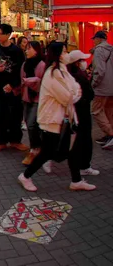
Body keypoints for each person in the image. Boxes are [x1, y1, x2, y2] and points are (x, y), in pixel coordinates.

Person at [17, 42, 95, 192]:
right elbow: (68, 97)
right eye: (64, 52)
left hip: (65, 118)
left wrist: (74, 93)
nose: (67, 55)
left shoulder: (62, 70)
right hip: (52, 119)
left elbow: (75, 90)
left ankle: (76, 180)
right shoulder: (53, 73)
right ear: (58, 55)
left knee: (73, 150)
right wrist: (75, 93)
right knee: (48, 152)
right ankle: (25, 176)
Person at [0, 24, 28, 153]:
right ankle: (0, 141)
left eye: (1, 33)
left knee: (15, 114)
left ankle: (15, 141)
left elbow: (21, 70)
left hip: (13, 89)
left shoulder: (17, 51)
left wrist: (13, 84)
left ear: (8, 35)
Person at [67, 50, 100, 177]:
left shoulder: (70, 75)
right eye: (82, 60)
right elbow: (89, 94)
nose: (85, 62)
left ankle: (81, 165)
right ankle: (84, 166)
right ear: (76, 62)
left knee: (79, 139)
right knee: (84, 138)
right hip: (82, 110)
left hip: (76, 111)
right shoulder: (79, 76)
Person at [20, 41, 46, 166]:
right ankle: (37, 147)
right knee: (30, 123)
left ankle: (35, 149)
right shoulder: (25, 64)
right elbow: (21, 80)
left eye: (29, 48)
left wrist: (31, 81)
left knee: (31, 124)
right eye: (26, 48)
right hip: (26, 98)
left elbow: (44, 83)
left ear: (36, 50)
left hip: (37, 99)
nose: (26, 51)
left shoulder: (42, 65)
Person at [90, 31, 113, 149]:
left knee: (96, 110)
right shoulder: (111, 49)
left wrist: (93, 84)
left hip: (102, 87)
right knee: (109, 112)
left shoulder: (99, 50)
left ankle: (111, 134)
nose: (93, 41)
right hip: (111, 87)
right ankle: (108, 136)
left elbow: (99, 71)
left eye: (94, 39)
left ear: (99, 39)